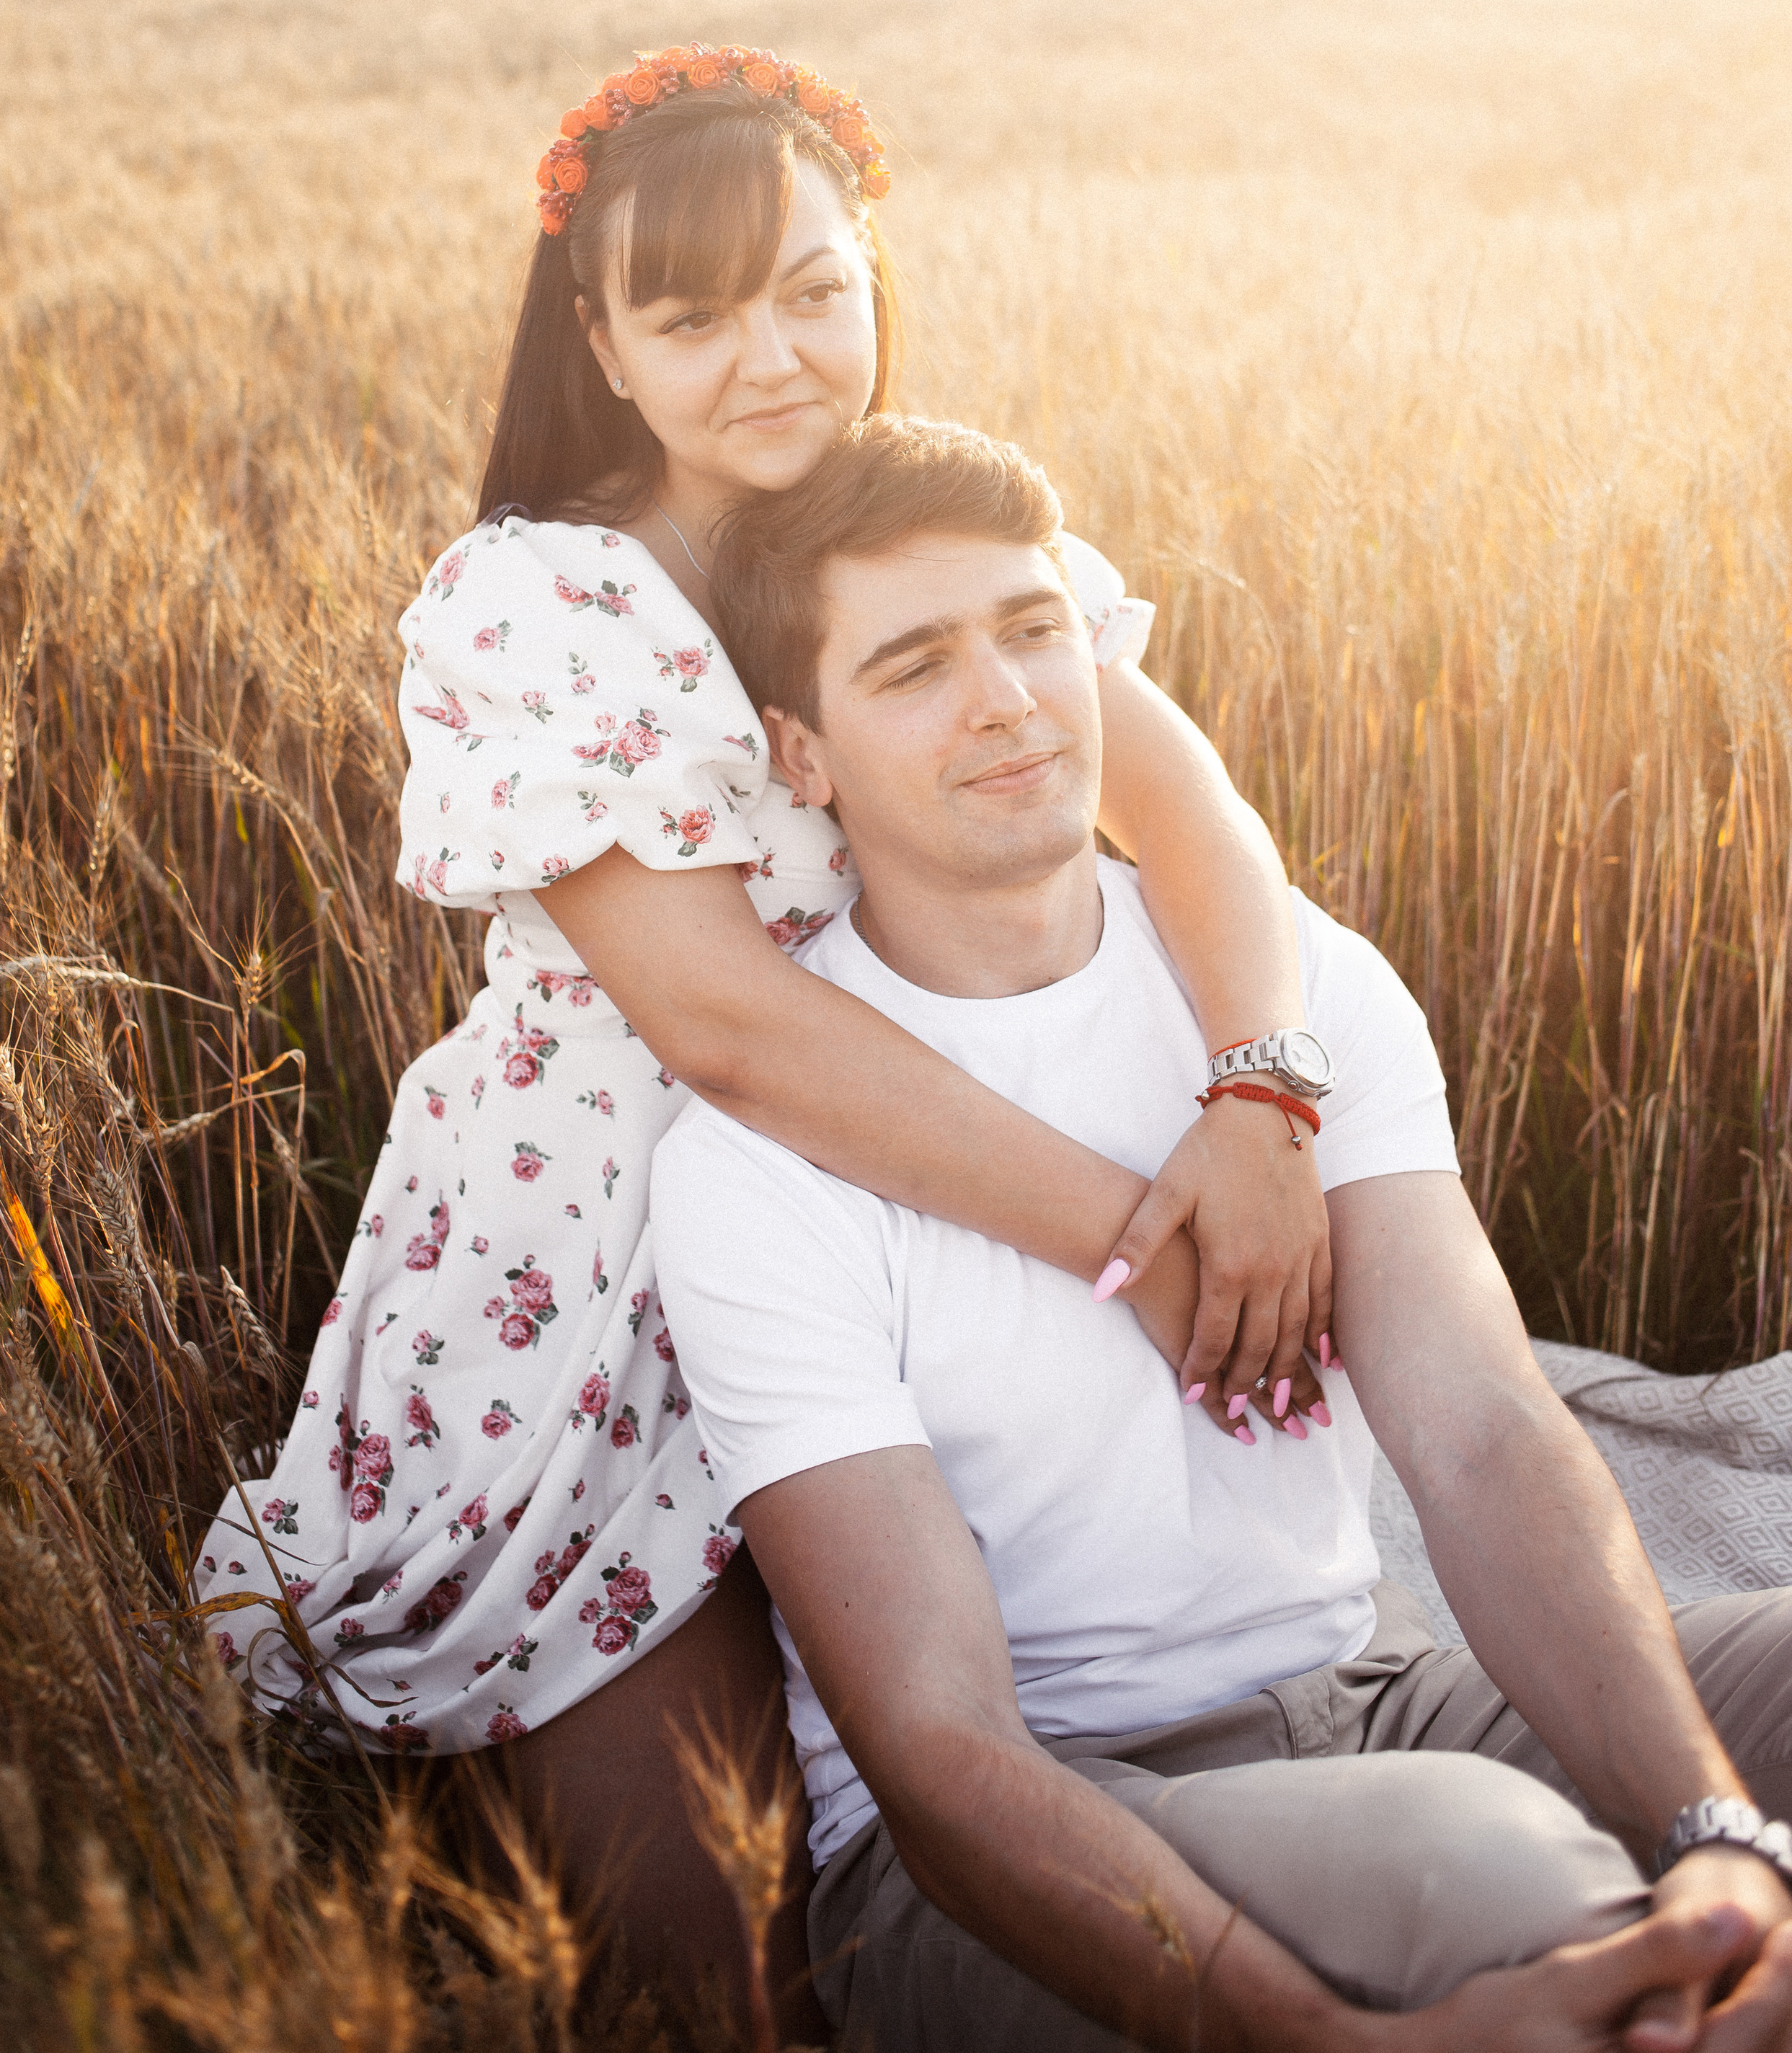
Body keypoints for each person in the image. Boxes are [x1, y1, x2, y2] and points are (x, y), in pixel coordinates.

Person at [194, 47, 1336, 1998]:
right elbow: (727, 1028)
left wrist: (1257, 1090)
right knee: (729, 1958)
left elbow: (1200, 816)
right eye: (693, 315)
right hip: (602, 1309)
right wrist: (1134, 1245)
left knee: (1038, 1838)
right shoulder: (537, 599)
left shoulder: (931, 528)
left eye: (814, 287)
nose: (774, 356)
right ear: (601, 342)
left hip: (912, 1241)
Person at [650, 412, 1792, 2052]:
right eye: (911, 666)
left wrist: (1713, 1833)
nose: (1005, 699)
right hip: (1025, 1838)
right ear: (799, 757)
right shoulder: (756, 1166)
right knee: (1500, 1877)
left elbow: (1476, 1435)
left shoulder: (1296, 992)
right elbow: (937, 1750)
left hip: (1383, 1698)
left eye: (1032, 630)